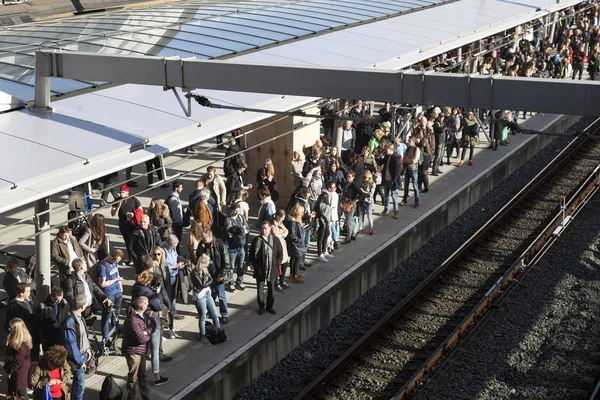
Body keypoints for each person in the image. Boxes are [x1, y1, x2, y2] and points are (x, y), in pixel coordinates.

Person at [130, 271, 170, 387]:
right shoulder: (148, 292)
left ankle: (139, 375)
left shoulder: (135, 288)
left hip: (140, 323)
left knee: (141, 350)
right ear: (147, 281)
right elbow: (159, 306)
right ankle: (157, 377)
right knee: (154, 350)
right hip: (152, 323)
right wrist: (157, 294)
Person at [122, 296, 156, 400]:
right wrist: (147, 333)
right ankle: (131, 396)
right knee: (133, 376)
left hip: (141, 350)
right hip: (133, 352)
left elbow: (153, 324)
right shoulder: (133, 319)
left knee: (142, 375)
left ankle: (145, 396)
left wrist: (146, 331)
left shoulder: (143, 315)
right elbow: (141, 339)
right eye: (146, 304)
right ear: (142, 307)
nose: (148, 306)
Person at [195, 228, 231, 324]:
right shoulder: (202, 245)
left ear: (210, 236)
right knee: (210, 295)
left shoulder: (220, 244)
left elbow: (227, 262)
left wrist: (222, 274)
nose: (202, 240)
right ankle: (210, 312)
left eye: (204, 238)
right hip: (207, 275)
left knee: (221, 296)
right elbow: (197, 257)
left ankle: (224, 315)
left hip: (218, 274)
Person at [61, 294, 91, 400]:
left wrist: (88, 348)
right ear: (82, 306)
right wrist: (80, 361)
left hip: (81, 356)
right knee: (80, 386)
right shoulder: (70, 321)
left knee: (77, 384)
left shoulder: (79, 318)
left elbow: (83, 336)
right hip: (76, 360)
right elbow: (71, 344)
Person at [249, 221, 283, 315]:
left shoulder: (275, 240)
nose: (264, 230)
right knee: (260, 290)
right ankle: (261, 306)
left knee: (271, 290)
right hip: (260, 270)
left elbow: (280, 253)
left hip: (272, 269)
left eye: (266, 228)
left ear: (270, 228)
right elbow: (251, 254)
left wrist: (277, 263)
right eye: (262, 228)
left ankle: (270, 307)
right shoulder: (256, 240)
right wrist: (254, 265)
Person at [190, 254, 221, 344]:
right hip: (200, 296)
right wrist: (205, 276)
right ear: (202, 263)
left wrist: (207, 280)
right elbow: (202, 284)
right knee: (202, 316)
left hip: (207, 294)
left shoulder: (206, 270)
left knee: (215, 314)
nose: (208, 265)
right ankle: (203, 336)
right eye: (207, 263)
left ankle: (218, 332)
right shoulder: (194, 272)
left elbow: (211, 280)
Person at [111, 185, 142, 266]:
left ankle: (137, 258)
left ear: (127, 193)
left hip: (133, 224)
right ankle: (131, 258)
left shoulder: (133, 199)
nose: (121, 194)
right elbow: (112, 213)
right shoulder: (117, 200)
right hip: (123, 225)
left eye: (123, 192)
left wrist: (133, 214)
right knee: (128, 242)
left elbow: (141, 209)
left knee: (135, 242)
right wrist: (118, 206)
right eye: (120, 192)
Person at [97, 249, 124, 341]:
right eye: (115, 260)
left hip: (117, 293)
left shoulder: (114, 263)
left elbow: (118, 274)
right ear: (111, 257)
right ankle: (106, 338)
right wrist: (116, 280)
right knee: (107, 316)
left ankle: (115, 337)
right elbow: (102, 284)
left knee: (116, 315)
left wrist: (120, 288)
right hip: (109, 294)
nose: (116, 262)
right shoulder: (103, 266)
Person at [5, 283, 37, 361]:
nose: (30, 293)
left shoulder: (26, 301)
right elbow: (20, 323)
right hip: (22, 335)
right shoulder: (15, 306)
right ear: (22, 293)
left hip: (29, 332)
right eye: (28, 292)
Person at [36, 286, 70, 352]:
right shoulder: (43, 307)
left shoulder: (64, 304)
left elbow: (67, 316)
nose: (59, 302)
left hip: (61, 336)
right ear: (51, 296)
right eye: (57, 300)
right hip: (48, 339)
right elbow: (38, 325)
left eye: (61, 299)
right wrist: (52, 325)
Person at [5, 318, 32, 400]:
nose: (9, 328)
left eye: (11, 327)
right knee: (12, 391)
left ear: (17, 329)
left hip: (19, 372)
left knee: (21, 392)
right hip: (14, 369)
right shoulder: (13, 338)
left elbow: (18, 361)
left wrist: (10, 371)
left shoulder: (23, 344)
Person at [163, 235, 185, 330]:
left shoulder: (173, 249)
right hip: (169, 276)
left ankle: (173, 313)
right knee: (168, 296)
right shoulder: (163, 252)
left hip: (175, 275)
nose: (175, 247)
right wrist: (176, 266)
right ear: (168, 243)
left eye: (176, 245)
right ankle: (168, 315)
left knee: (174, 295)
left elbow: (175, 258)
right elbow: (163, 267)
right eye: (173, 245)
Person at [225, 203, 248, 291]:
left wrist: (242, 231)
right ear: (232, 210)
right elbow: (228, 232)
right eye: (235, 211)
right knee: (231, 265)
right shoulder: (228, 220)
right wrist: (240, 230)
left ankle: (239, 281)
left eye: (238, 211)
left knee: (241, 264)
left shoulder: (241, 217)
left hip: (241, 245)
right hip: (232, 246)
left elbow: (247, 228)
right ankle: (230, 282)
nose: (236, 213)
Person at [379, 143, 402, 218]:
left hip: (392, 181)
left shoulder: (395, 158)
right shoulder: (386, 156)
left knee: (394, 196)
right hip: (386, 179)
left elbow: (397, 172)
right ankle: (386, 209)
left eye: (387, 149)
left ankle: (396, 211)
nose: (386, 150)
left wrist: (393, 180)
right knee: (386, 195)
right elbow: (380, 163)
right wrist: (380, 156)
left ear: (391, 150)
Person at [284, 204, 306, 284]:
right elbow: (292, 235)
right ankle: (294, 275)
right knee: (298, 258)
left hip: (294, 243)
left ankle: (292, 274)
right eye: (302, 213)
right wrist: (299, 240)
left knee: (294, 258)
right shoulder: (292, 222)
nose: (302, 214)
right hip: (294, 244)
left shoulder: (293, 221)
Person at [314, 182, 335, 262]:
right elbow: (320, 207)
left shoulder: (328, 195)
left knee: (326, 234)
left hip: (326, 219)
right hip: (322, 219)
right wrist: (329, 208)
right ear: (329, 188)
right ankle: (320, 254)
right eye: (333, 187)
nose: (334, 188)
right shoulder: (324, 195)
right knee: (321, 236)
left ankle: (324, 251)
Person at [165, 180, 187, 249]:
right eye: (180, 187)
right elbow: (175, 212)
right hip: (176, 223)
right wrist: (179, 220)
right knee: (176, 240)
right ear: (176, 188)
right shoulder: (173, 199)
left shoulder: (173, 196)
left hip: (175, 222)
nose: (182, 189)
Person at [340, 171, 360, 244]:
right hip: (345, 203)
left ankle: (348, 237)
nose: (348, 178)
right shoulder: (346, 184)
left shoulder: (354, 185)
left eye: (350, 177)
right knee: (349, 220)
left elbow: (361, 194)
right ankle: (351, 234)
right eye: (347, 176)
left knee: (349, 221)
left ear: (353, 177)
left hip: (350, 205)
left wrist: (354, 201)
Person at [402, 136, 421, 208]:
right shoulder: (408, 149)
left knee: (415, 186)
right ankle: (405, 199)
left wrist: (407, 160)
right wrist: (408, 160)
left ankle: (417, 201)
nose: (408, 142)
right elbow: (404, 159)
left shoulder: (417, 149)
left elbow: (414, 160)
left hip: (414, 169)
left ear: (413, 142)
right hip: (407, 169)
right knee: (406, 185)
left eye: (410, 141)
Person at [359, 170, 376, 235]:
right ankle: (360, 228)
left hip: (369, 202)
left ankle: (371, 228)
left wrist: (363, 191)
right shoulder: (363, 183)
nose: (364, 179)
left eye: (365, 177)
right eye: (363, 177)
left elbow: (371, 193)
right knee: (361, 215)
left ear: (369, 177)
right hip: (362, 201)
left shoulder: (372, 184)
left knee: (369, 215)